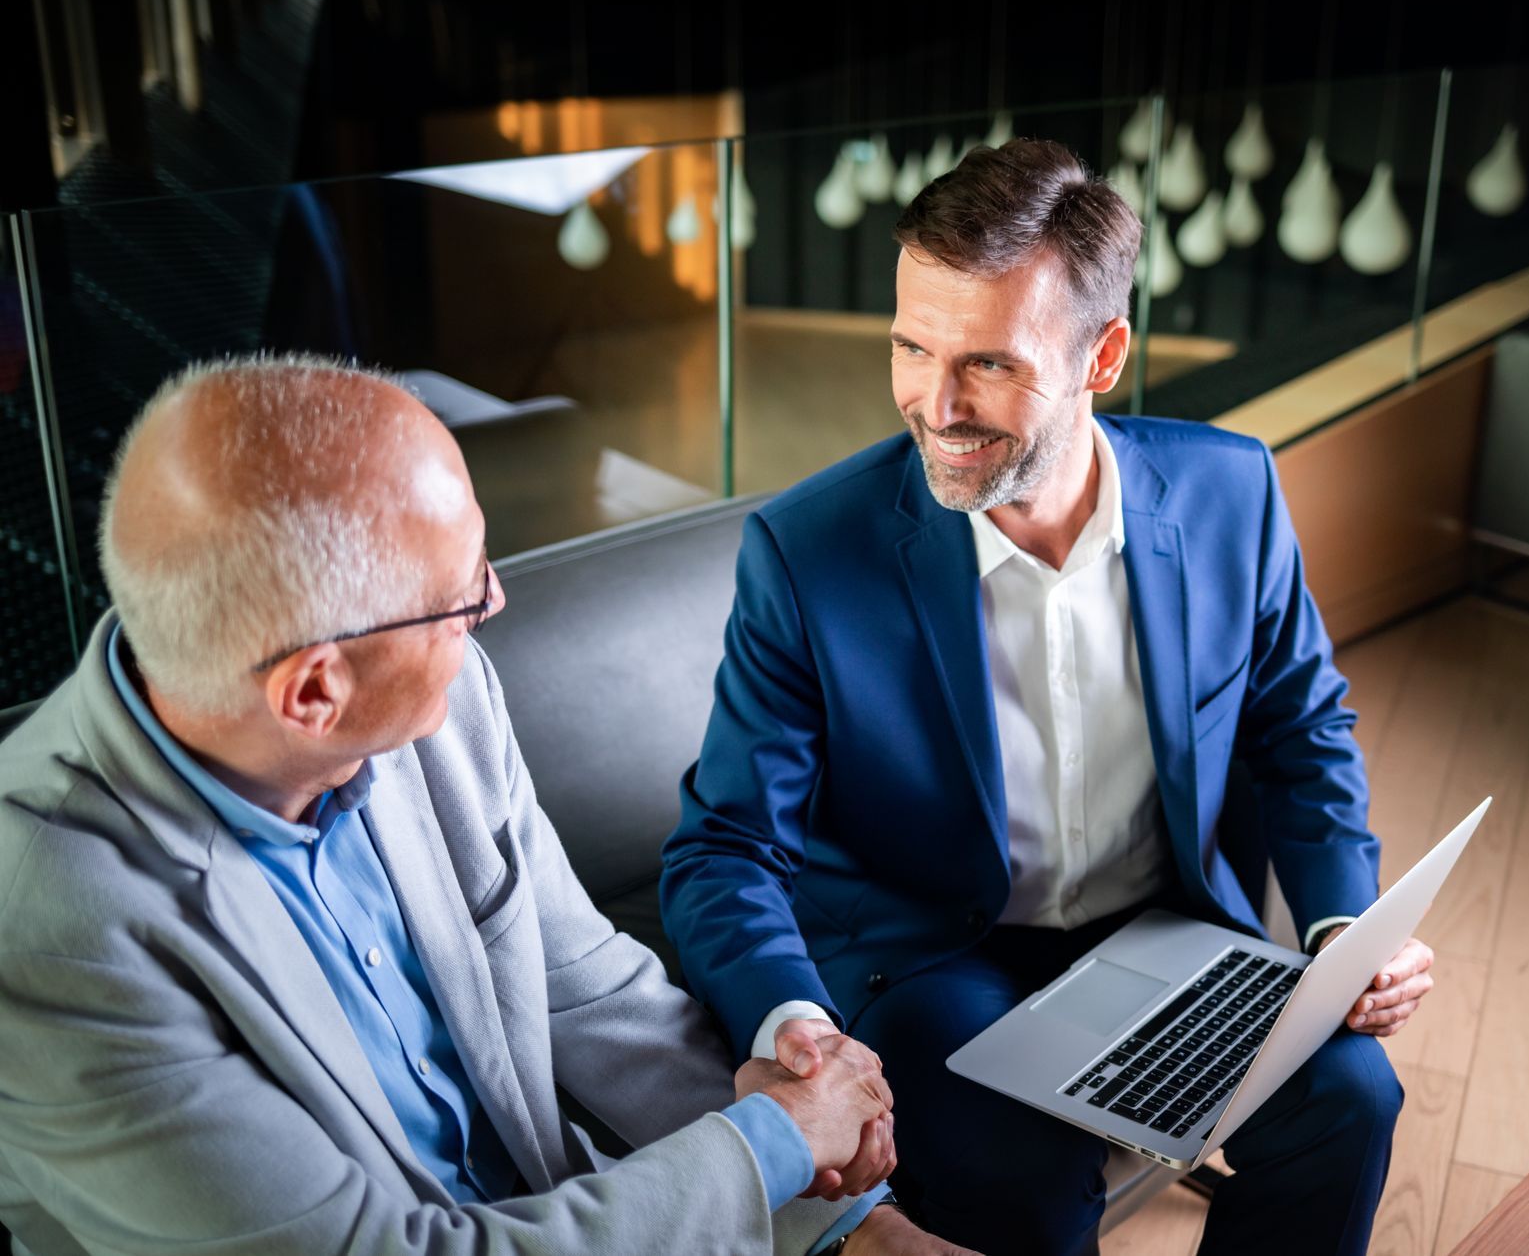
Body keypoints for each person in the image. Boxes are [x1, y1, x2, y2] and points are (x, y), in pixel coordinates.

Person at [0, 356, 969, 1255]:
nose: (492, 603)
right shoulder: (45, 931)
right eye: (460, 598)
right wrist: (776, 1141)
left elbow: (590, 988)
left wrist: (846, 1218)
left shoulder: (440, 702)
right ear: (313, 691)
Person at [661, 140, 1436, 1255]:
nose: (936, 404)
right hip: (933, 962)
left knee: (1351, 1101)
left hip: (1167, 942)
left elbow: (1299, 725)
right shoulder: (807, 553)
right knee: (1022, 1171)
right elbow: (726, 846)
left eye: (989, 363)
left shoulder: (1234, 491)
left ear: (1103, 355)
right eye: (911, 346)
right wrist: (800, 1034)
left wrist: (1339, 924)